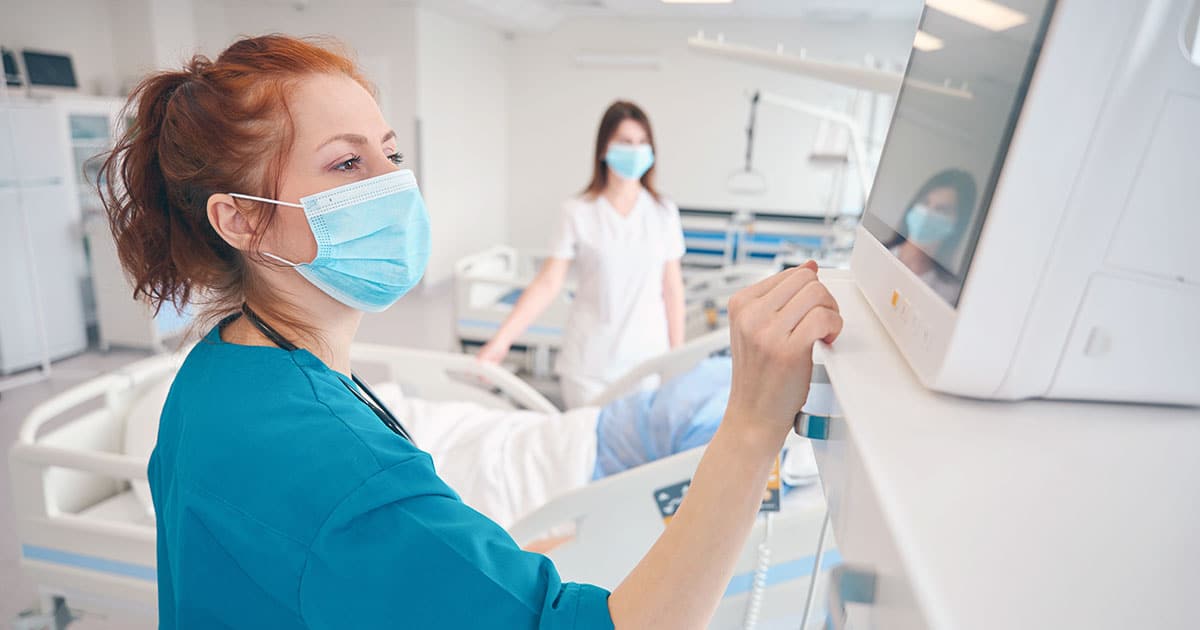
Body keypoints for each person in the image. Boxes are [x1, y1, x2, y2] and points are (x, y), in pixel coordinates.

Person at [100, 35, 842, 629]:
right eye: (347, 162)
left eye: (391, 154)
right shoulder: (339, 464)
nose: (392, 185)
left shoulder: (214, 373)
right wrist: (751, 423)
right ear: (243, 217)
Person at [477, 101, 687, 407]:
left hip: (648, 363)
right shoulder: (578, 212)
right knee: (585, 450)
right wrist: (501, 341)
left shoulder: (663, 212)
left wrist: (677, 358)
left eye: (643, 143)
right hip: (589, 366)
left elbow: (672, 289)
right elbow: (548, 284)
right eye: (625, 142)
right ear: (604, 149)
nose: (635, 150)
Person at [888, 168, 978, 304]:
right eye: (925, 203)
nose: (927, 213)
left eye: (941, 210)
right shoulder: (877, 251)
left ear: (957, 225)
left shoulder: (949, 293)